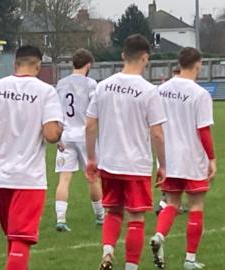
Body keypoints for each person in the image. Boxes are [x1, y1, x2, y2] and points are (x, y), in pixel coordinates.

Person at [85, 34, 167, 270]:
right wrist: (163, 165)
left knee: (113, 212)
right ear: (145, 58)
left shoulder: (102, 86)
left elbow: (90, 125)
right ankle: (131, 266)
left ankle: (108, 251)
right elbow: (158, 134)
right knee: (137, 218)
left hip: (109, 162)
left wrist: (92, 158)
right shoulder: (149, 91)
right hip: (136, 164)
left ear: (123, 55)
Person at [0, 45, 63, 270]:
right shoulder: (45, 91)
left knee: (12, 238)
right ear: (38, 66)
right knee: (21, 240)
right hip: (28, 176)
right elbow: (51, 134)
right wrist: (60, 131)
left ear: (15, 64)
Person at [150, 47, 215, 270]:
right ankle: (189, 259)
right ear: (198, 64)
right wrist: (212, 159)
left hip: (168, 158)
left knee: (172, 203)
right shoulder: (200, 94)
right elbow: (204, 131)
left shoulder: (161, 90)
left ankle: (159, 235)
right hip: (191, 157)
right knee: (196, 206)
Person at [54, 48, 105, 232]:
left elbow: (56, 111)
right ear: (89, 64)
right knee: (92, 177)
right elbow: (95, 112)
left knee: (64, 178)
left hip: (66, 135)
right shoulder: (91, 84)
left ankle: (60, 218)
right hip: (85, 136)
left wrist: (58, 136)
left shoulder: (61, 83)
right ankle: (100, 216)